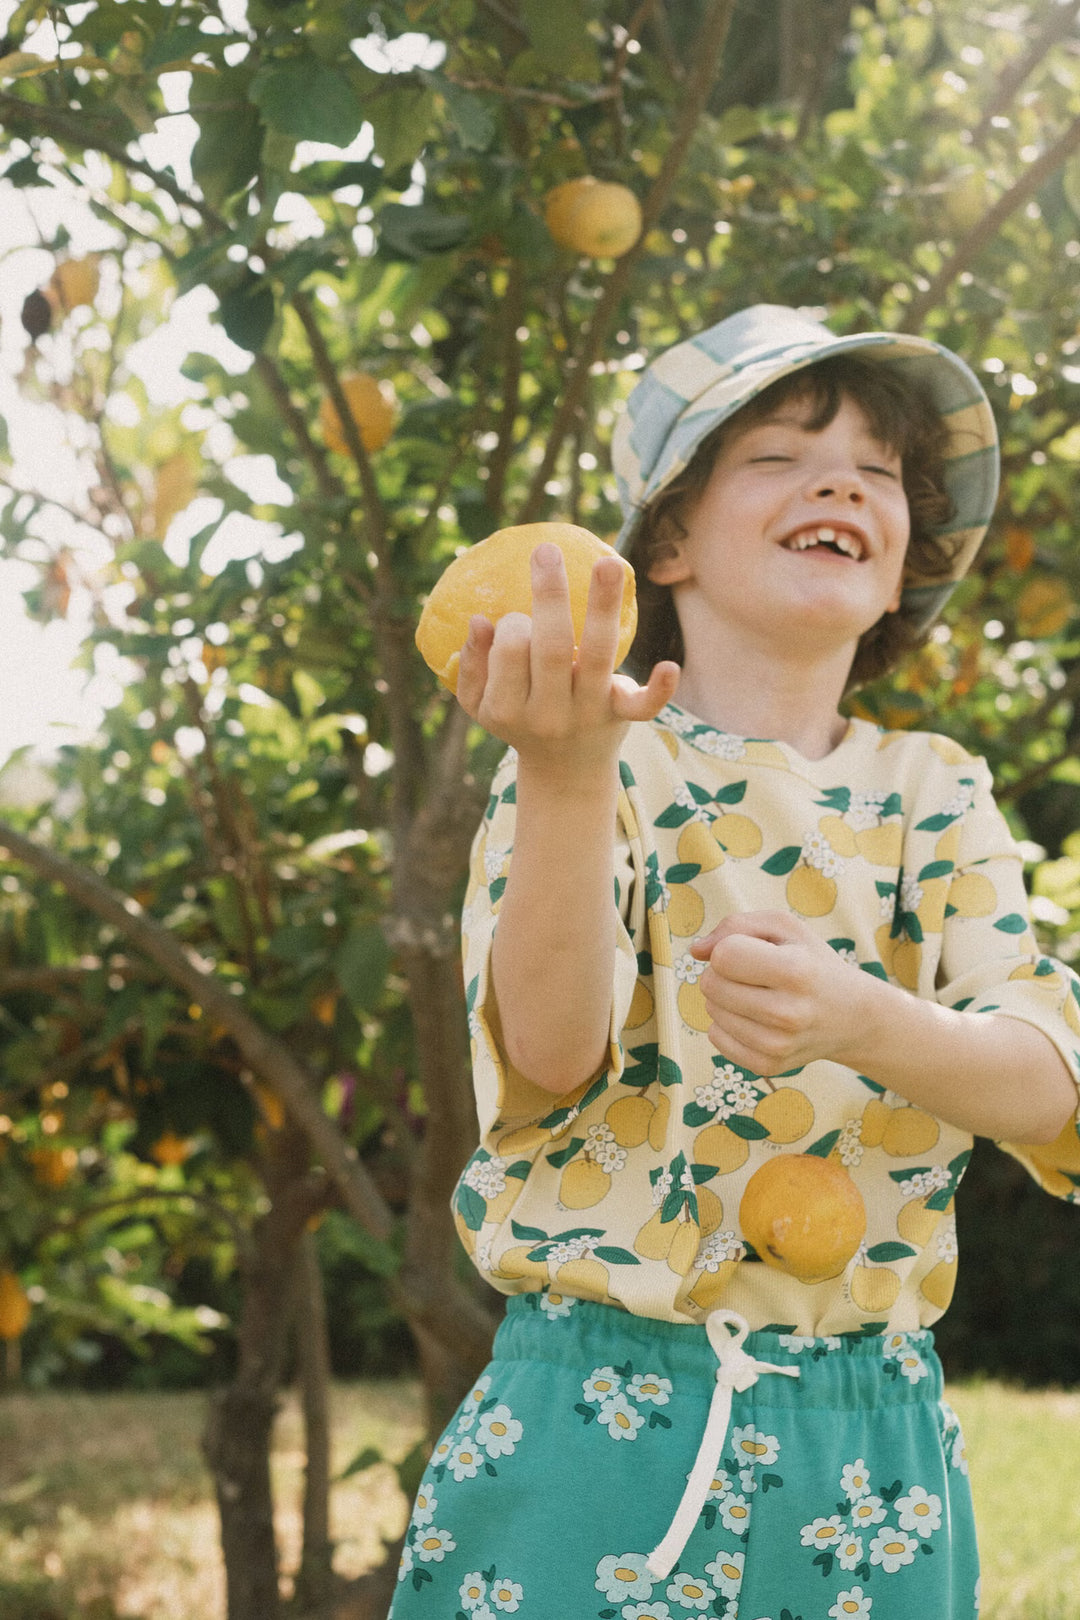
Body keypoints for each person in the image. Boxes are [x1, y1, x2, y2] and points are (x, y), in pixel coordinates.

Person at [389, 305, 1080, 1620]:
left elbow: (1053, 1089)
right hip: (593, 1424)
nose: (838, 483)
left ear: (897, 569)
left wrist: (866, 1023)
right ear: (666, 541)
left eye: (878, 473)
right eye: (778, 454)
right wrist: (568, 772)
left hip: (870, 1449)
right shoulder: (592, 762)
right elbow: (548, 1051)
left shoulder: (936, 794)